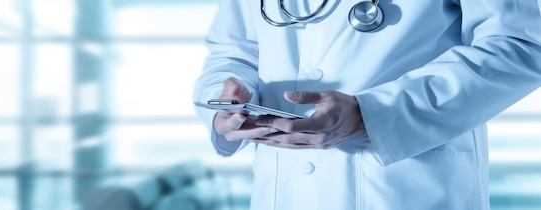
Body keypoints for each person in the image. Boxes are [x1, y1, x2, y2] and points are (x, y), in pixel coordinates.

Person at [193, 0, 541, 209]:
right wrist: (227, 102)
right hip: (285, 190)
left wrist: (374, 115)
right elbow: (235, 50)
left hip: (404, 188)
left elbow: (519, 45)